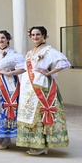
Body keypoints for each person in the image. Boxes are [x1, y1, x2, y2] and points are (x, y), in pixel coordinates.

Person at [16, 26, 71, 155]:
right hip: (29, 86)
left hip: (42, 86)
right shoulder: (30, 52)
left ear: (44, 36)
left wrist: (49, 73)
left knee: (40, 114)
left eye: (38, 34)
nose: (35, 37)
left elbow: (64, 63)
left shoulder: (49, 51)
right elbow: (25, 68)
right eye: (33, 35)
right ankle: (34, 142)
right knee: (30, 114)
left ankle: (42, 145)